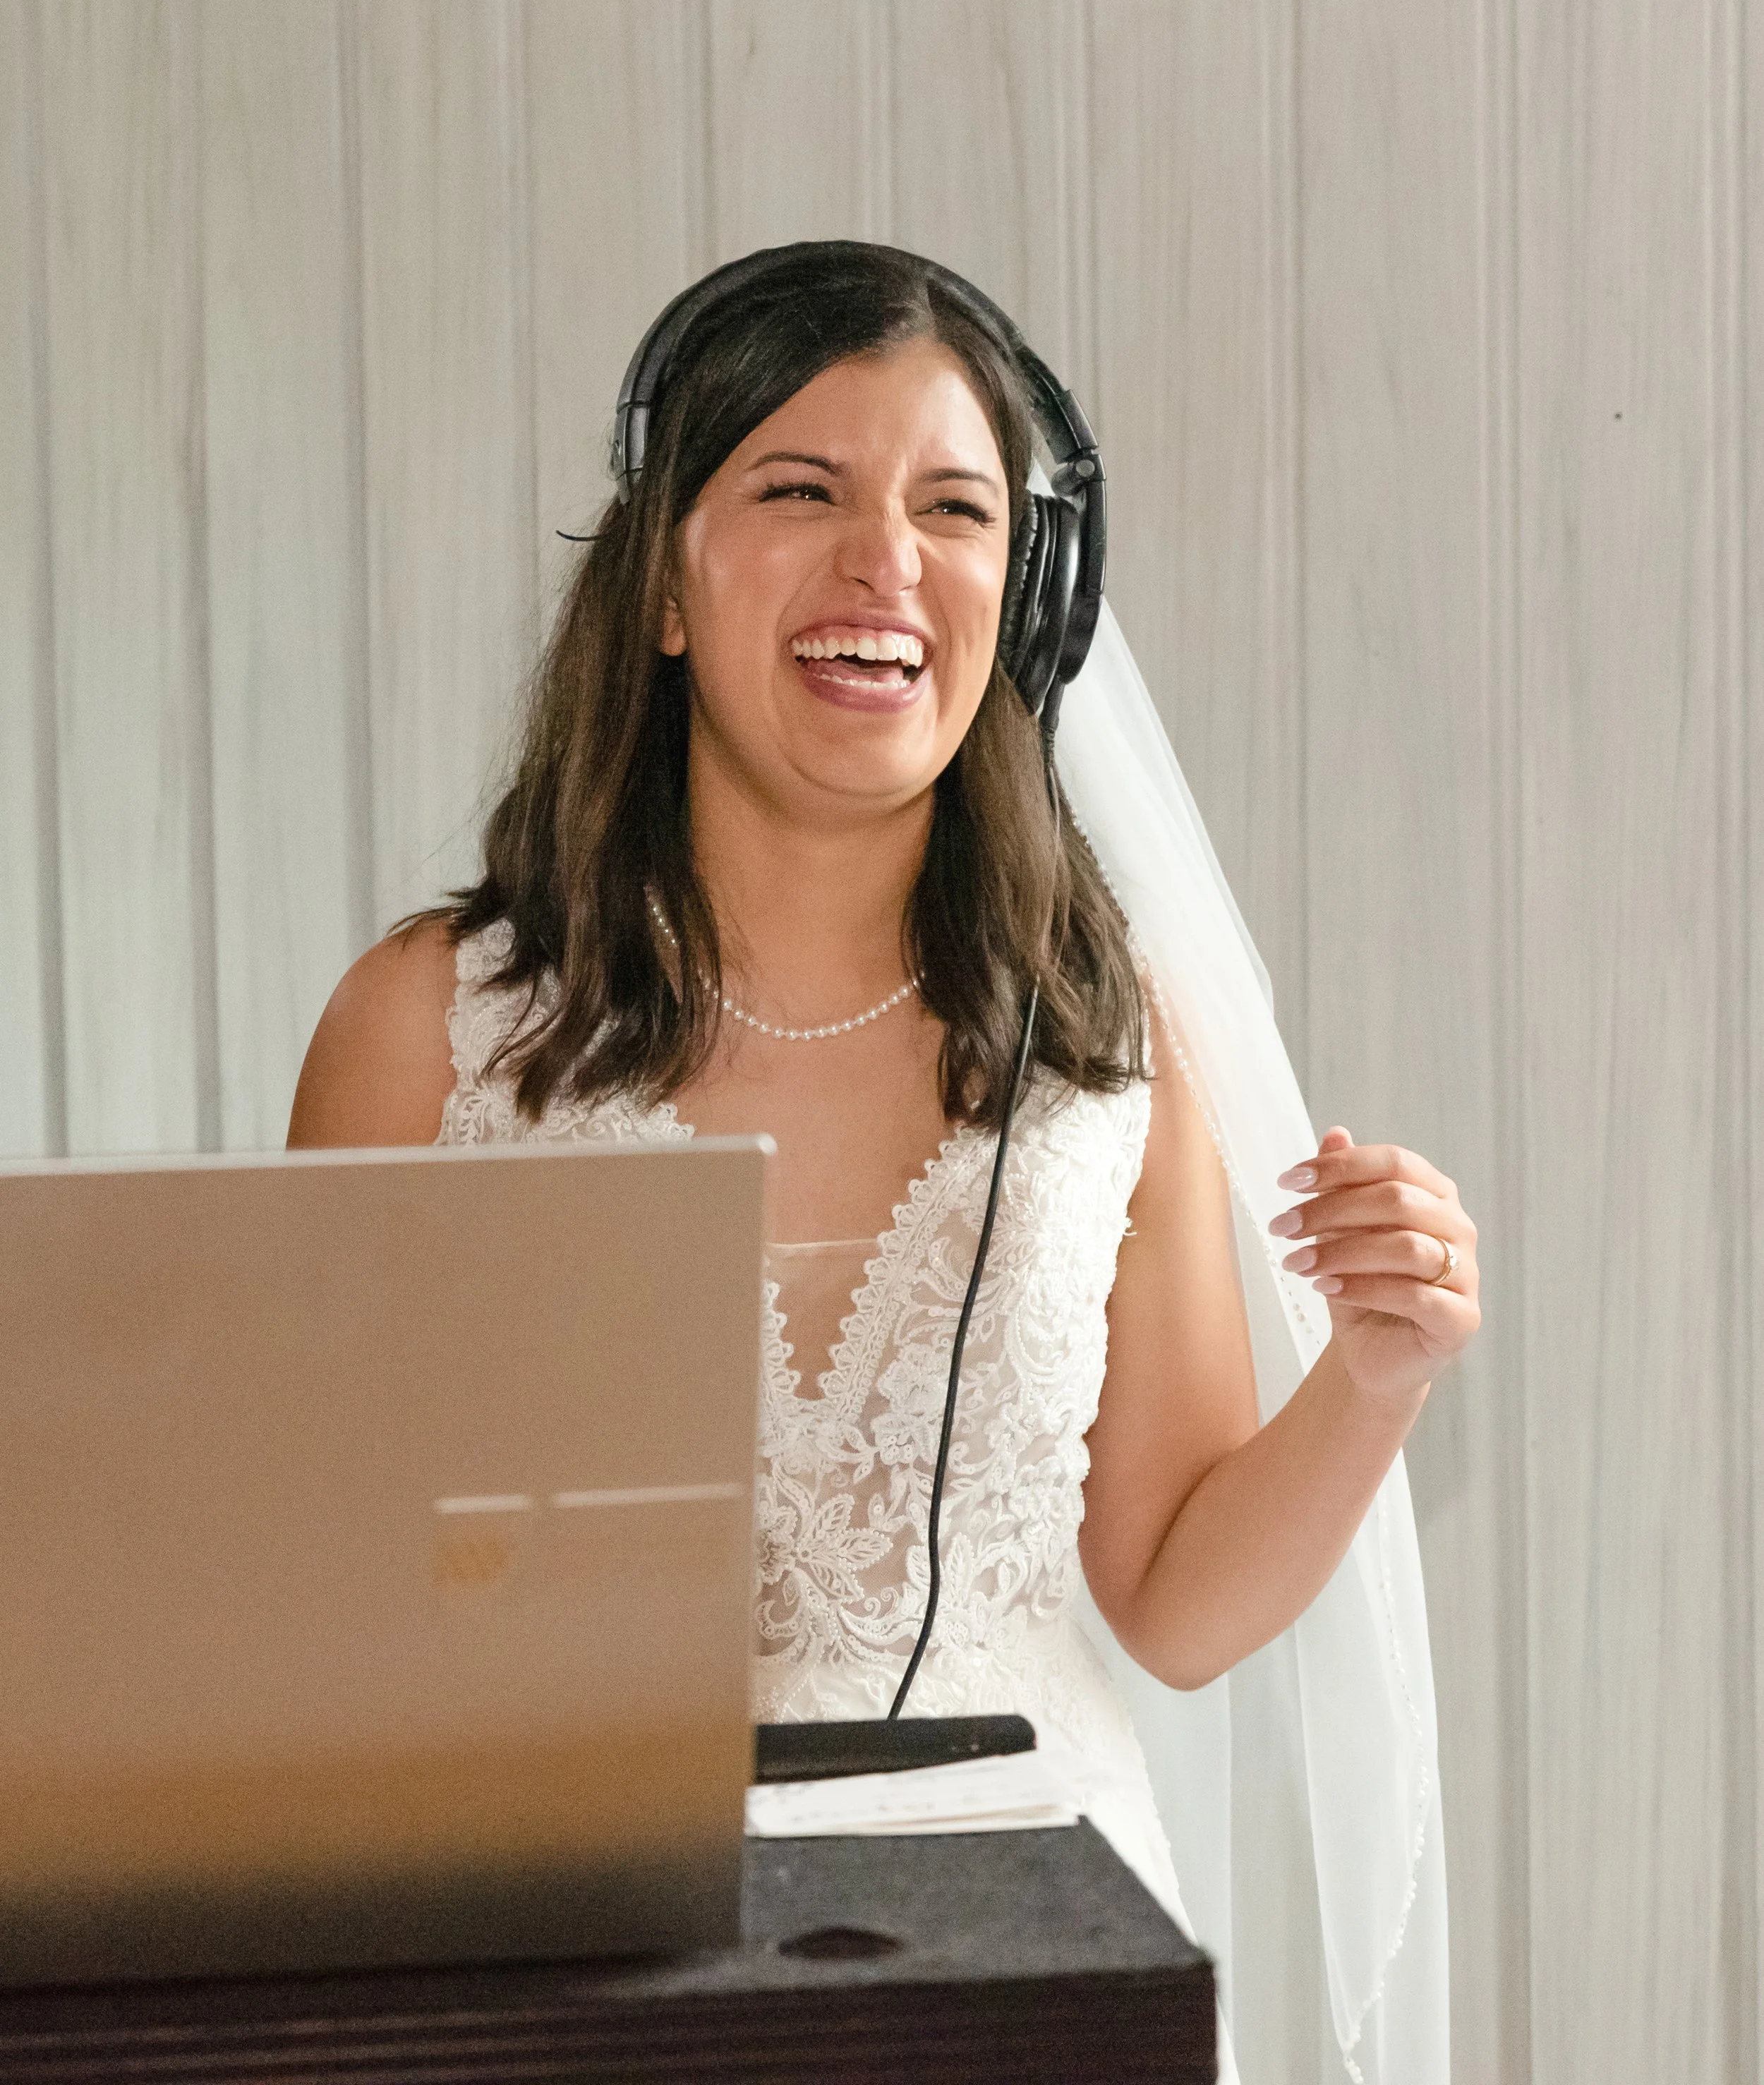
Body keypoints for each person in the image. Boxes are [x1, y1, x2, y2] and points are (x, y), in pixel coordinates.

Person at [289, 241, 1477, 2084]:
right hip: (585, 1964)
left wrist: (1378, 1375)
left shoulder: (1102, 1038)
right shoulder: (427, 1028)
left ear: (1029, 596)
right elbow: (317, 1587)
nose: (885, 566)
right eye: (798, 491)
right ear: (665, 587)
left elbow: (1174, 1604)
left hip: (1038, 1949)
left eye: (951, 508)